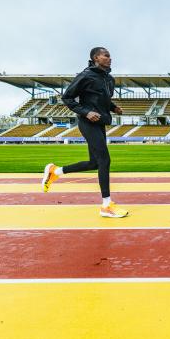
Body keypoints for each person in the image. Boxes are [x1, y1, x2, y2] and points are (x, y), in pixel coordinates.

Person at [41, 47, 128, 218]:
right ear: (96, 57)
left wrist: (113, 107)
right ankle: (106, 205)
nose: (110, 58)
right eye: (106, 55)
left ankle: (55, 171)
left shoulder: (110, 79)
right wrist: (86, 112)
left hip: (100, 122)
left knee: (94, 163)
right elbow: (67, 97)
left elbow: (102, 99)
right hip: (87, 122)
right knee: (105, 160)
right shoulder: (86, 75)